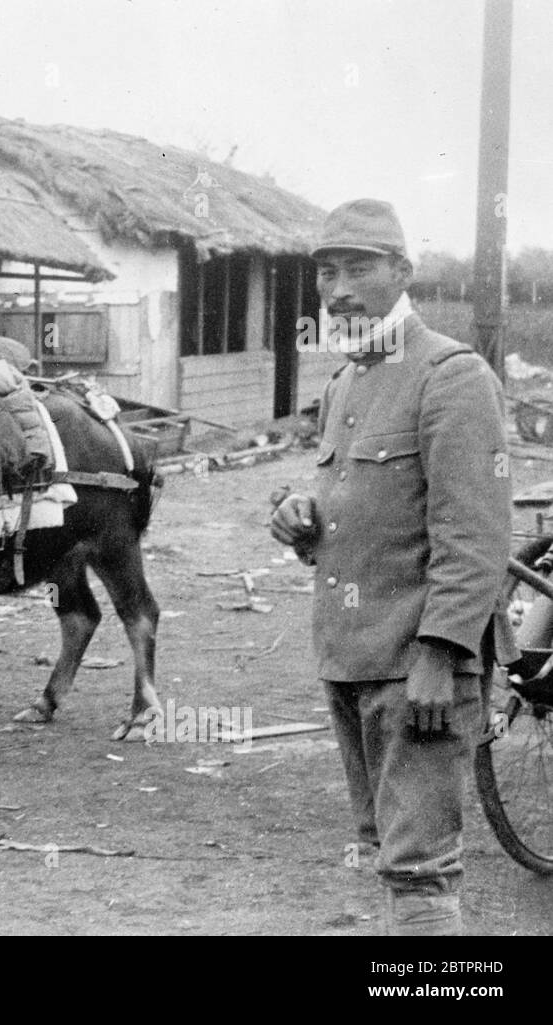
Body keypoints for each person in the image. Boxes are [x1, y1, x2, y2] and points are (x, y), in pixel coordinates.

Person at [270, 199, 513, 935]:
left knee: (419, 873)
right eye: (326, 273)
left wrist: (441, 654)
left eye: (359, 268)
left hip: (418, 665)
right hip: (351, 657)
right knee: (388, 853)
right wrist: (300, 520)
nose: (338, 289)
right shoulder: (346, 382)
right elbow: (364, 513)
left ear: (403, 272)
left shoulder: (450, 374)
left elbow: (474, 537)